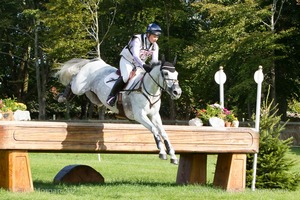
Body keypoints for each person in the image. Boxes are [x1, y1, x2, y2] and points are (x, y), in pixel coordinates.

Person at [106, 23, 162, 106]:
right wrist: (144, 65)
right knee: (126, 77)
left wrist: (154, 69)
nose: (156, 39)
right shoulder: (137, 39)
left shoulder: (155, 46)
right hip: (127, 60)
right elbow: (135, 55)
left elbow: (154, 60)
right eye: (154, 36)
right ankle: (111, 96)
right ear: (148, 34)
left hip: (139, 64)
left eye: (157, 37)